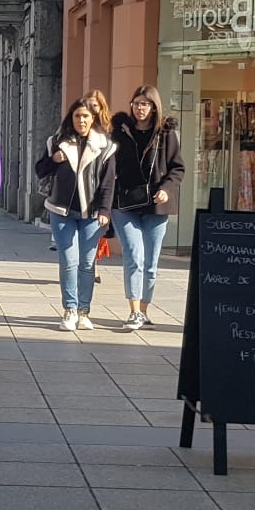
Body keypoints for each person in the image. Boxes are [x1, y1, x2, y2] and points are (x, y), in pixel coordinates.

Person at [109, 85, 186, 332]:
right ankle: (133, 312)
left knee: (151, 262)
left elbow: (177, 167)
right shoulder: (120, 131)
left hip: (156, 204)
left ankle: (144, 309)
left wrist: (167, 188)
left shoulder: (166, 133)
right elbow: (109, 166)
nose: (140, 108)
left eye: (145, 103)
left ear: (154, 106)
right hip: (125, 202)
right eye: (136, 103)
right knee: (134, 255)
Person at [36, 99, 115, 332]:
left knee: (87, 264)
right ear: (71, 118)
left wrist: (104, 210)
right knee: (69, 262)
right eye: (77, 116)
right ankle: (69, 310)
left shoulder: (105, 146)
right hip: (62, 210)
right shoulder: (57, 142)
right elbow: (40, 170)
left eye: (86, 117)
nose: (81, 121)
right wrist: (53, 160)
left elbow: (108, 183)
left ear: (93, 119)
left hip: (91, 214)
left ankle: (84, 311)